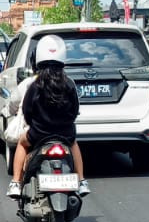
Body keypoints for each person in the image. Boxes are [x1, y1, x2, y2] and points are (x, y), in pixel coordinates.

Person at [5, 34, 90, 198]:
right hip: (65, 134)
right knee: (74, 144)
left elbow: (27, 111)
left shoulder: (34, 84)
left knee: (22, 144)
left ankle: (16, 182)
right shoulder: (69, 83)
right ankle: (81, 180)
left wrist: (33, 125)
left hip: (38, 134)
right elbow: (74, 110)